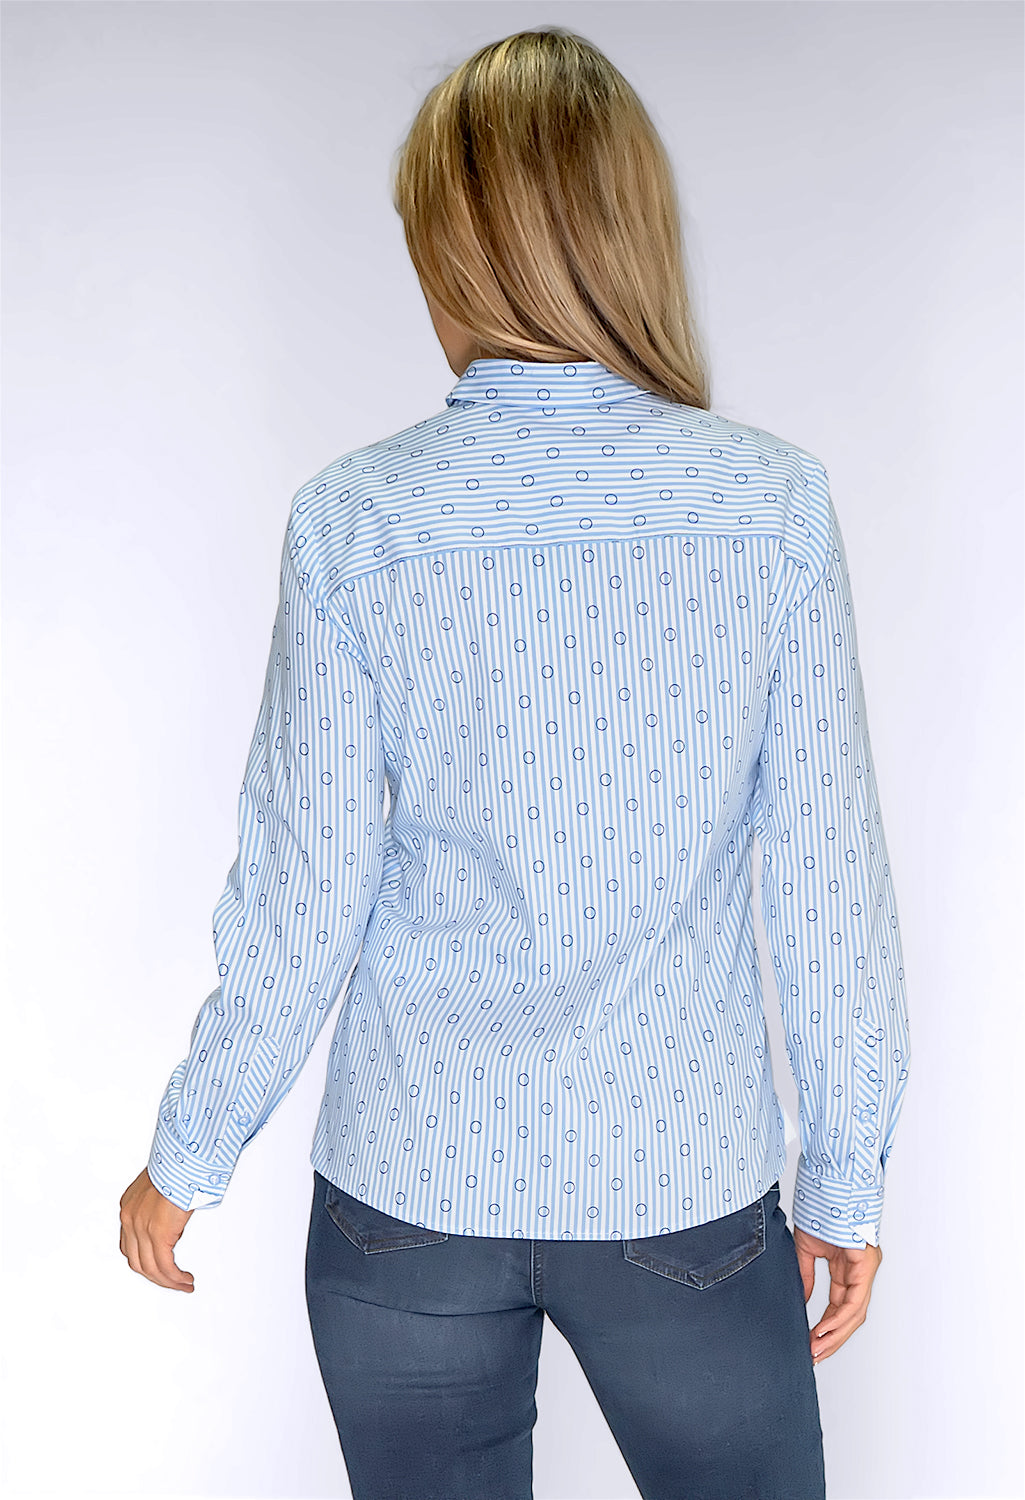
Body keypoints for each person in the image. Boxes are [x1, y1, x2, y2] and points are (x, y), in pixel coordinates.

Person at [120, 26, 910, 1500]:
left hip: (404, 1202)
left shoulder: (356, 521)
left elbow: (302, 896)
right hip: (677, 1191)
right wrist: (845, 1181)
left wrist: (190, 1152)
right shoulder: (770, 509)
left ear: (455, 254)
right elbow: (829, 892)